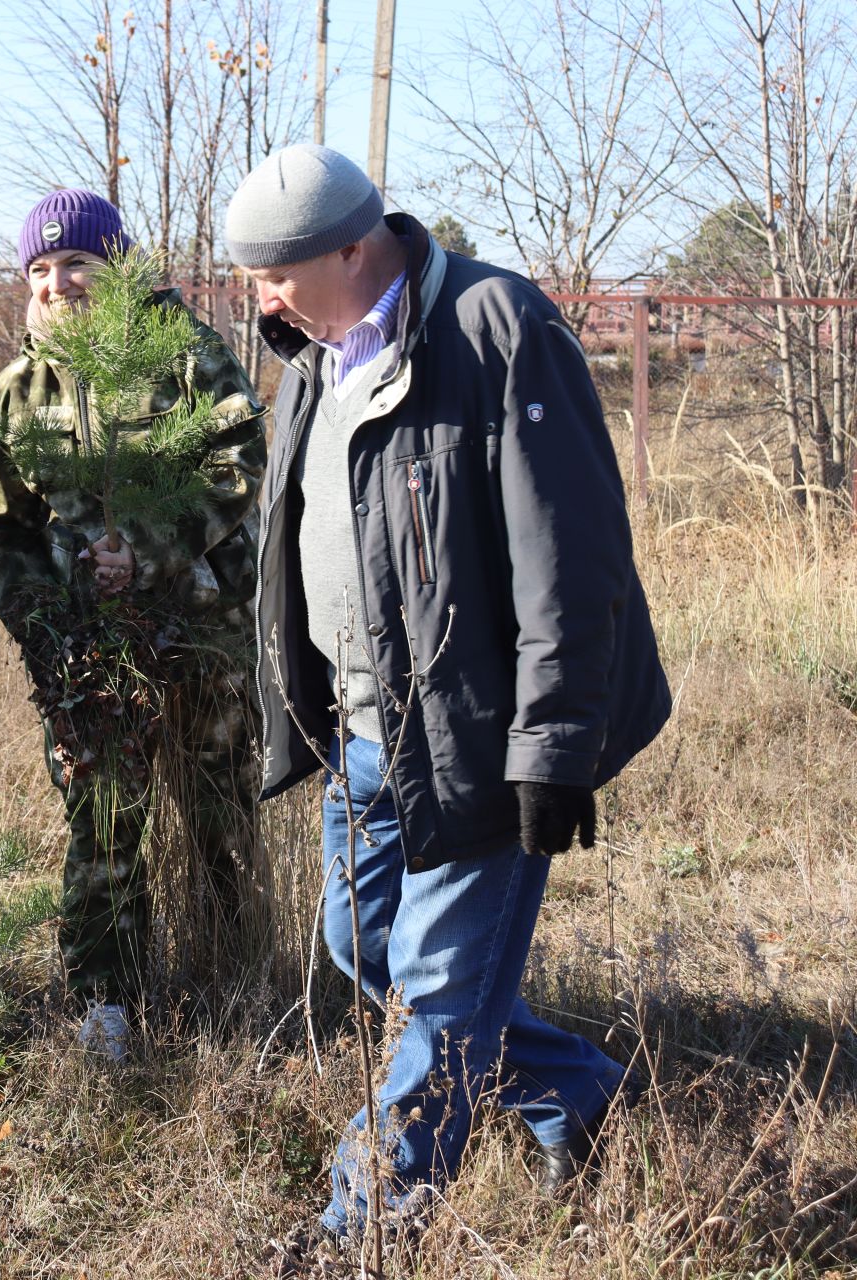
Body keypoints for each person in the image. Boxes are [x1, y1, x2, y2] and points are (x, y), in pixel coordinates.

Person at [224, 145, 672, 1265]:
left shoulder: (494, 328)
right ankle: (576, 1086)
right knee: (362, 946)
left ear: (348, 246)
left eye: (274, 272)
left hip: (477, 732)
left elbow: (569, 559)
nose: (259, 296)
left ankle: (366, 1221)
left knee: (434, 988)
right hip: (363, 737)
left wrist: (553, 748)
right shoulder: (312, 358)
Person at [0, 190, 268, 1061]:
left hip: (200, 631)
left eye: (78, 263)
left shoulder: (185, 357)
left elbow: (239, 458)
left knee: (220, 814)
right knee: (103, 822)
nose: (60, 283)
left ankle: (240, 983)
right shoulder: (14, 397)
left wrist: (150, 548)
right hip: (89, 653)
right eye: (42, 269)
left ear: (118, 265)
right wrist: (45, 624)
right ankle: (109, 1003)